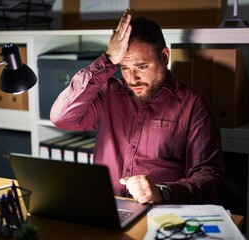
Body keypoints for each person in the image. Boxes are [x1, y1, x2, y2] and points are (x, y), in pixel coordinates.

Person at [50, 9, 224, 204]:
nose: (132, 79)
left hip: (161, 214)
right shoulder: (109, 93)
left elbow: (209, 178)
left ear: (164, 57)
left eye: (141, 66)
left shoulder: (194, 104)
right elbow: (61, 117)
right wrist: (107, 59)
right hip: (106, 209)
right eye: (124, 68)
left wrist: (163, 192)